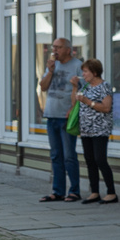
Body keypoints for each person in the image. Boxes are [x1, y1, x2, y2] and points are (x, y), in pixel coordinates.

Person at [37, 36, 83, 202]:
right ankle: (58, 191)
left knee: (69, 155)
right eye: (53, 47)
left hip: (67, 117)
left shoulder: (77, 66)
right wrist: (50, 71)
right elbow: (43, 87)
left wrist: (73, 109)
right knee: (56, 154)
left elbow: (82, 91)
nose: (54, 50)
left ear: (68, 49)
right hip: (51, 115)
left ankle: (74, 191)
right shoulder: (52, 65)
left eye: (58, 47)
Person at [73, 59, 118, 204]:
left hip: (100, 129)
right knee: (90, 160)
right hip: (86, 130)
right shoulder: (85, 86)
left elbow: (106, 107)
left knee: (100, 159)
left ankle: (111, 192)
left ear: (95, 72)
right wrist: (75, 88)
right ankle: (94, 191)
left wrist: (88, 102)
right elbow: (74, 103)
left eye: (86, 71)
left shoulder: (104, 86)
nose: (83, 74)